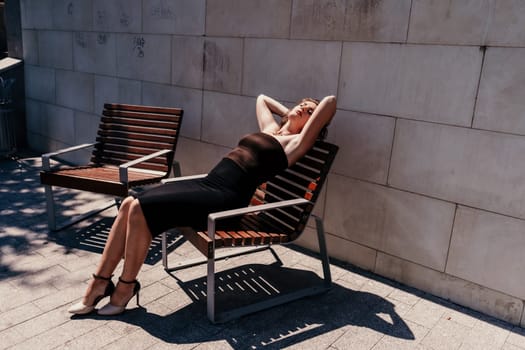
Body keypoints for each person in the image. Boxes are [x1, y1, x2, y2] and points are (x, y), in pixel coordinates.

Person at [68, 94, 337, 316]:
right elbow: (262, 99)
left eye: (309, 110)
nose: (303, 106)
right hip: (209, 184)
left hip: (225, 201)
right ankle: (99, 283)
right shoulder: (271, 131)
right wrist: (288, 112)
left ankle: (124, 289)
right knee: (129, 202)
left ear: (313, 123)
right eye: (302, 102)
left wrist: (309, 114)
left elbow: (331, 102)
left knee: (140, 207)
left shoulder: (297, 144)